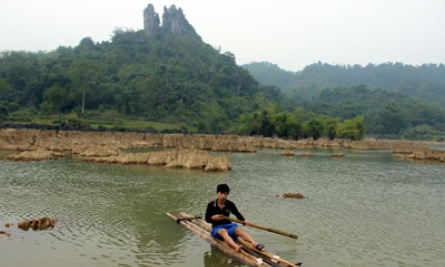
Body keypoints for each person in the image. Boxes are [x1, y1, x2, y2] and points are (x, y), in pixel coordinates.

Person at [205, 183, 264, 253]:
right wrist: (213, 218)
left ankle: (254, 243)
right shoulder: (211, 205)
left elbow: (237, 214)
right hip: (217, 228)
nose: (223, 195)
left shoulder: (230, 204)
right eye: (221, 193)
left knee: (238, 230)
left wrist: (244, 220)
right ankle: (236, 246)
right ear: (217, 193)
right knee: (223, 231)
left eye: (225, 193)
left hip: (228, 226)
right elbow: (207, 219)